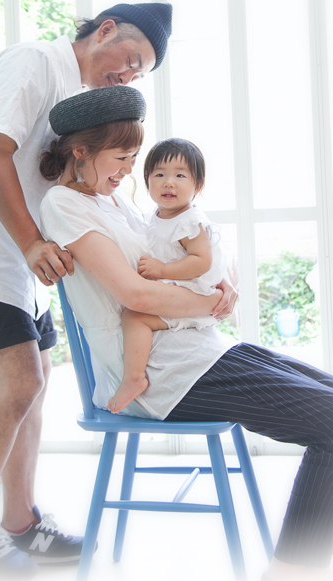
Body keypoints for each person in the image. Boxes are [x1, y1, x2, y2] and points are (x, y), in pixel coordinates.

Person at [0, 4, 233, 579]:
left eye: (141, 72)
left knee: (37, 381)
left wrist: (201, 263)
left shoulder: (82, 102)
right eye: (131, 58)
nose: (130, 74)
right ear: (105, 30)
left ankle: (20, 521)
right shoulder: (33, 62)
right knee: (20, 381)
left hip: (14, 256)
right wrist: (31, 243)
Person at [39, 85, 333, 580]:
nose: (129, 170)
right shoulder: (65, 205)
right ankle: (293, 571)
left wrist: (220, 285)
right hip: (157, 368)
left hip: (191, 344)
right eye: (122, 158)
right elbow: (136, 295)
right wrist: (208, 304)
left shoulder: (114, 201)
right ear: (81, 152)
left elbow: (179, 254)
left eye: (133, 159)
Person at [109, 137, 225, 414]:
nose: (168, 183)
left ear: (197, 186)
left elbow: (201, 261)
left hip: (192, 293)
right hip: (178, 289)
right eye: (159, 175)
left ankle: (134, 378)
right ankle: (136, 375)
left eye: (180, 176)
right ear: (147, 181)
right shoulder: (159, 215)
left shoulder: (189, 221)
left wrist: (162, 270)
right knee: (134, 315)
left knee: (134, 317)